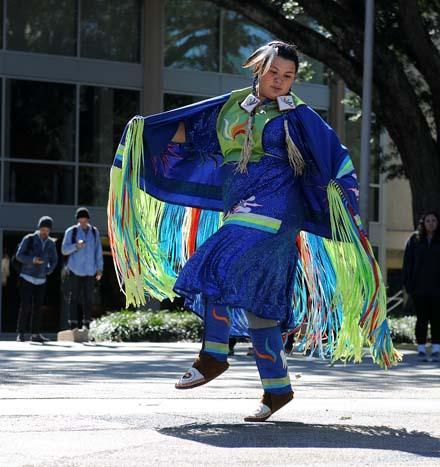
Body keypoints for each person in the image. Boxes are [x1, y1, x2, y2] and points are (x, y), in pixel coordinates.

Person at [108, 41, 400, 422]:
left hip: (276, 208)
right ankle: (277, 388)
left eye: (289, 76)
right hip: (240, 209)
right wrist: (145, 132)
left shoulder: (297, 116)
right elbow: (192, 133)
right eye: (274, 73)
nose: (280, 82)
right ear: (258, 70)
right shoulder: (231, 107)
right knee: (260, 303)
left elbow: (334, 153)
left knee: (215, 260)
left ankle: (213, 353)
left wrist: (339, 190)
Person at [402, 211, 440, 362]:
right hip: (419, 287)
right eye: (428, 221)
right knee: (421, 319)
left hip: (439, 288)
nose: (431, 223)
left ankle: (435, 350)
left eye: (434, 220)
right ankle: (421, 349)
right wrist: (408, 284)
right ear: (423, 223)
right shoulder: (414, 239)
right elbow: (408, 263)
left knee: (436, 319)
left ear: (438, 222)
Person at [15, 216, 58, 343]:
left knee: (38, 307)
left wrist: (48, 270)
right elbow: (19, 255)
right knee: (26, 306)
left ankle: (35, 334)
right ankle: (21, 333)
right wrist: (33, 259)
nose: (45, 232)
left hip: (41, 279)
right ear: (39, 228)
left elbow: (54, 260)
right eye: (43, 229)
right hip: (26, 277)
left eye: (47, 230)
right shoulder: (29, 239)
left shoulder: (51, 243)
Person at [62, 207, 103, 330]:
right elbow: (64, 250)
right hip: (75, 269)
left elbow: (98, 252)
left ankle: (86, 324)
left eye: (85, 220)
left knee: (88, 298)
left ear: (88, 219)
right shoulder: (71, 231)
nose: (83, 222)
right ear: (77, 220)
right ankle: (73, 324)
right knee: (73, 297)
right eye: (80, 220)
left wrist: (99, 269)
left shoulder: (95, 232)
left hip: (90, 271)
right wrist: (76, 246)